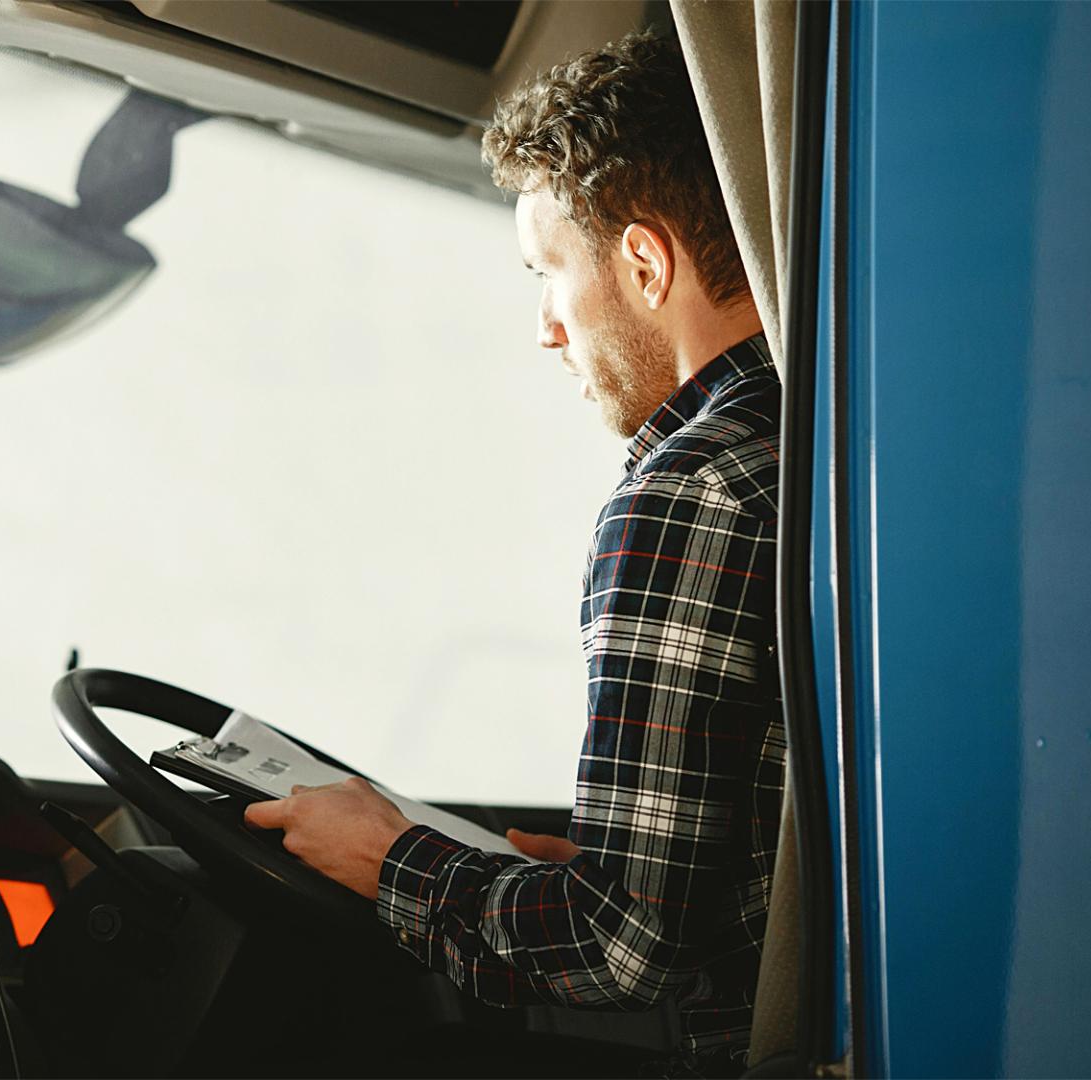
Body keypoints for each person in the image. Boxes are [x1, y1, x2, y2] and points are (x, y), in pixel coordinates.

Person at [245, 29, 784, 1076]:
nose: (546, 327)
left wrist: (386, 858)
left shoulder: (688, 485)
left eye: (548, 272)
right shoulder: (815, 437)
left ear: (642, 260)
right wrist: (605, 866)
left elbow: (621, 951)